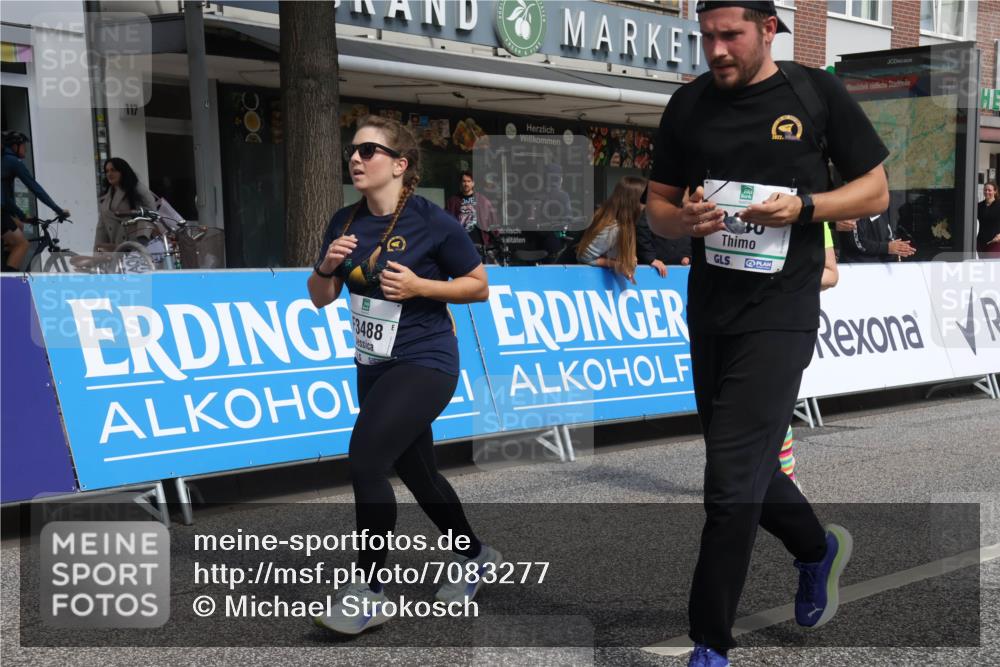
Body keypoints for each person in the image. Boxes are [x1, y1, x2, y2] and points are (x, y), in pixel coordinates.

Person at [644, 3, 889, 665]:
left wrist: (804, 206)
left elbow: (874, 192)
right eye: (707, 36)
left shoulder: (815, 92)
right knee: (743, 465)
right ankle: (817, 548)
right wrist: (684, 219)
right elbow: (657, 208)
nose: (717, 49)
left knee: (726, 480)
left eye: (731, 36)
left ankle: (710, 643)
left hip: (783, 307)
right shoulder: (687, 104)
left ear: (768, 29)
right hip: (712, 307)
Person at [307, 116, 501, 635]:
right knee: (418, 473)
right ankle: (476, 555)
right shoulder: (344, 222)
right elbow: (320, 297)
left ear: (400, 164)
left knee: (366, 460)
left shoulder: (430, 221)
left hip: (426, 360)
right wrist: (326, 267)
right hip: (373, 364)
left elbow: (478, 286)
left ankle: (369, 591)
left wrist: (421, 287)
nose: (356, 158)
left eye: (368, 150)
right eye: (352, 150)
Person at [780, 222, 839, 492]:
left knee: (776, 404)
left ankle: (786, 477)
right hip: (738, 319)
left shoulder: (817, 218)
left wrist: (787, 278)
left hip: (789, 320)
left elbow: (831, 275)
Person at [2, 130, 70, 272]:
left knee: (19, 226)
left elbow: (6, 199)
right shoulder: (13, 162)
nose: (25, 149)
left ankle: (6, 266)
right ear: (15, 146)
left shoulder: (4, 161)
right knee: (22, 245)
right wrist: (58, 210)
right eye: (23, 146)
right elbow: (35, 188)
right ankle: (7, 286)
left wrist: (22, 215)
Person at [576, 175, 642, 282]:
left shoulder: (622, 223)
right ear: (633, 201)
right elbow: (584, 257)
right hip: (583, 280)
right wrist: (615, 264)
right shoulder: (613, 227)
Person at [95, 157, 156, 250]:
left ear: (122, 171)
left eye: (113, 170)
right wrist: (96, 253)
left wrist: (141, 241)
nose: (109, 174)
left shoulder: (137, 189)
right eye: (107, 171)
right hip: (116, 247)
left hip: (135, 245)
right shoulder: (106, 196)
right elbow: (101, 228)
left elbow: (150, 213)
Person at [445, 171, 499, 261]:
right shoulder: (453, 201)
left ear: (473, 183)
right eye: (464, 181)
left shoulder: (482, 200)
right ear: (461, 183)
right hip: (460, 243)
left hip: (479, 244)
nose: (466, 184)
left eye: (469, 181)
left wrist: (497, 237)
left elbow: (492, 219)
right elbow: (446, 220)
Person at [835, 211, 914, 262]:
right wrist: (887, 248)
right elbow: (857, 242)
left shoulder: (879, 208)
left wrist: (897, 250)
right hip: (859, 268)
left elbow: (887, 234)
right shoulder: (855, 208)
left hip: (883, 266)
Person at [636, 208, 692, 276]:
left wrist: (688, 256)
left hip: (682, 269)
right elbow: (642, 232)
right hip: (655, 269)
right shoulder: (652, 209)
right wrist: (651, 258)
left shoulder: (686, 211)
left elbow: (691, 234)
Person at [977, 180, 999, 259]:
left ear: (995, 191)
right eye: (985, 190)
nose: (987, 192)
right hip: (981, 242)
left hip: (995, 242)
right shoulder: (979, 206)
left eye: (989, 190)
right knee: (983, 265)